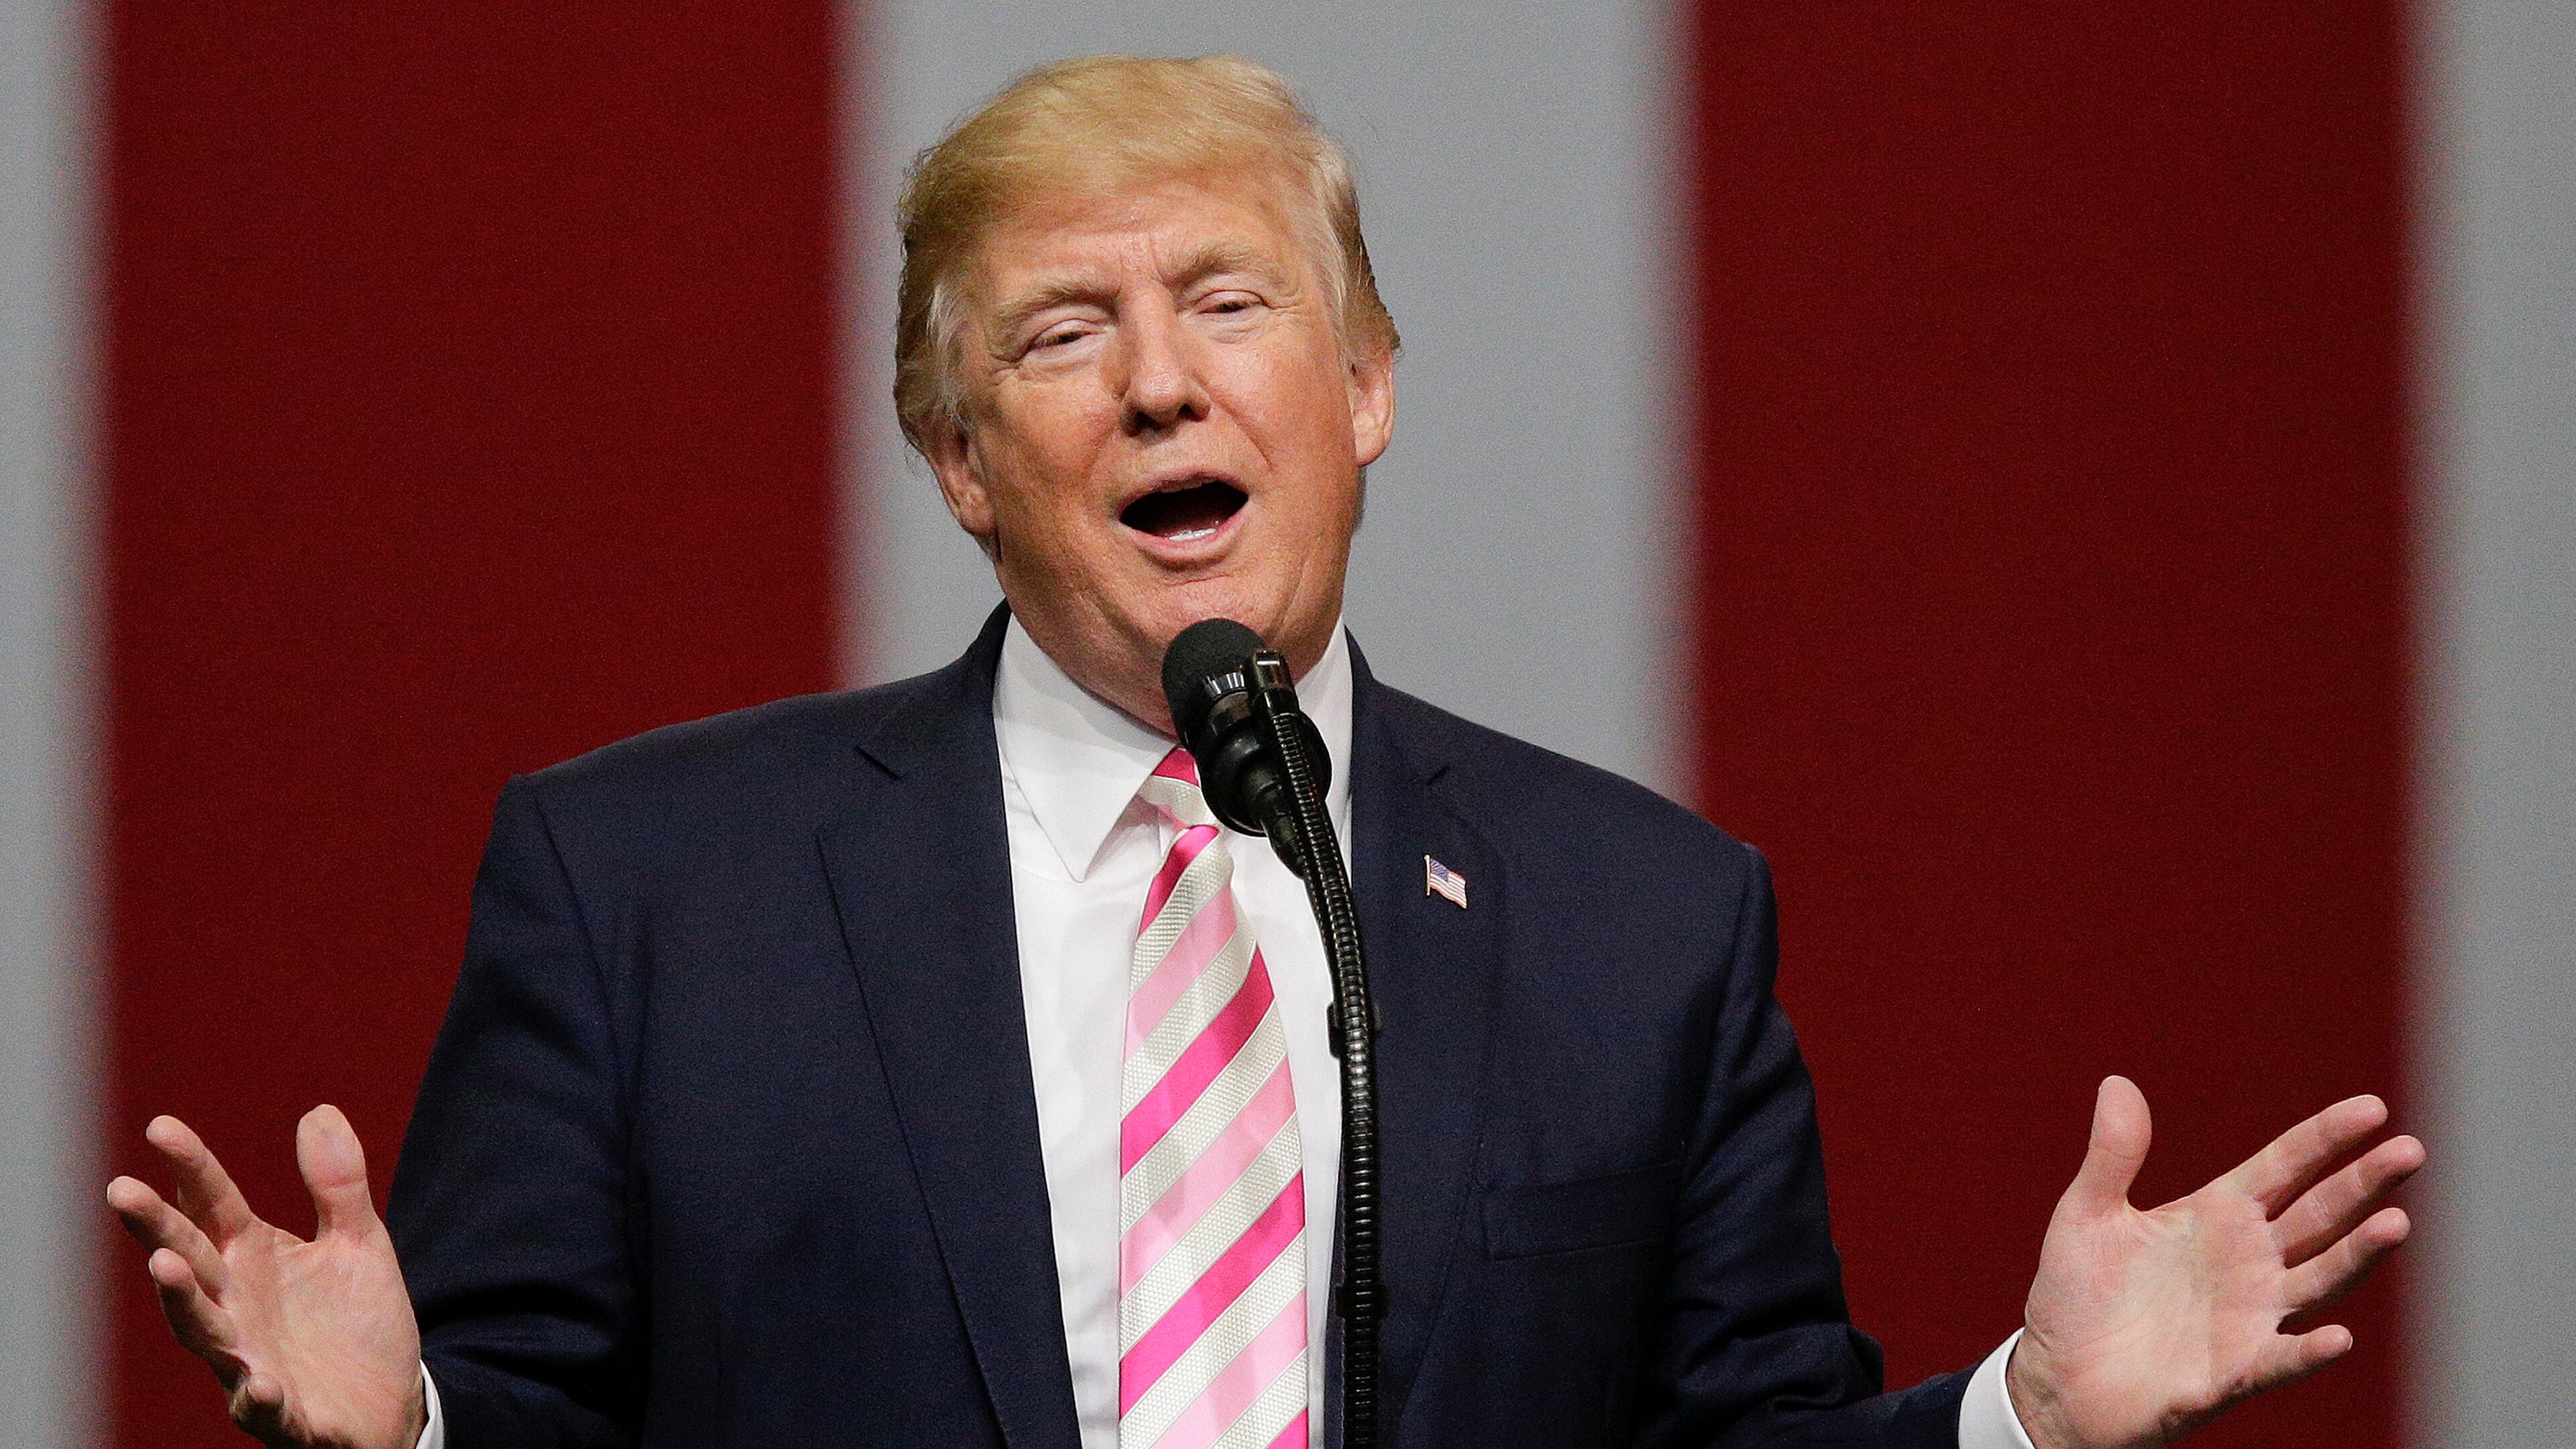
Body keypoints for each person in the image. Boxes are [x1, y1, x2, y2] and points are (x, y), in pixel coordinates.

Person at [109, 55, 2422, 1449]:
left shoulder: (1646, 925)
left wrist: (2025, 1421)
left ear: (1369, 391)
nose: (1159, 382)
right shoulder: (645, 893)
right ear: (959, 461)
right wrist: (393, 1432)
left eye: (1230, 306)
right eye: (1060, 334)